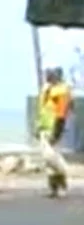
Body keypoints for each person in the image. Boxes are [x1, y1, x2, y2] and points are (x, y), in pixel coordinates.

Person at [36, 67, 72, 197]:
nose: (47, 75)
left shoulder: (62, 91)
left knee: (51, 157)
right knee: (47, 162)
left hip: (54, 128)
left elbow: (61, 114)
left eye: (50, 73)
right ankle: (53, 188)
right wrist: (38, 127)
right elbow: (43, 110)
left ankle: (63, 180)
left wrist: (56, 133)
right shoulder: (46, 89)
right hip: (44, 128)